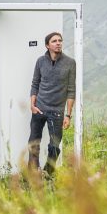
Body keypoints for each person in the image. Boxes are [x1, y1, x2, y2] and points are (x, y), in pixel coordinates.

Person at [28, 31, 76, 174]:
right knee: (33, 142)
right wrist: (32, 105)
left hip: (57, 112)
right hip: (39, 109)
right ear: (47, 45)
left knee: (54, 146)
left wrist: (68, 115)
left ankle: (48, 174)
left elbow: (71, 90)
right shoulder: (40, 61)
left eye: (60, 40)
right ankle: (33, 173)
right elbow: (35, 84)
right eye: (54, 41)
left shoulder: (70, 63)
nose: (58, 43)